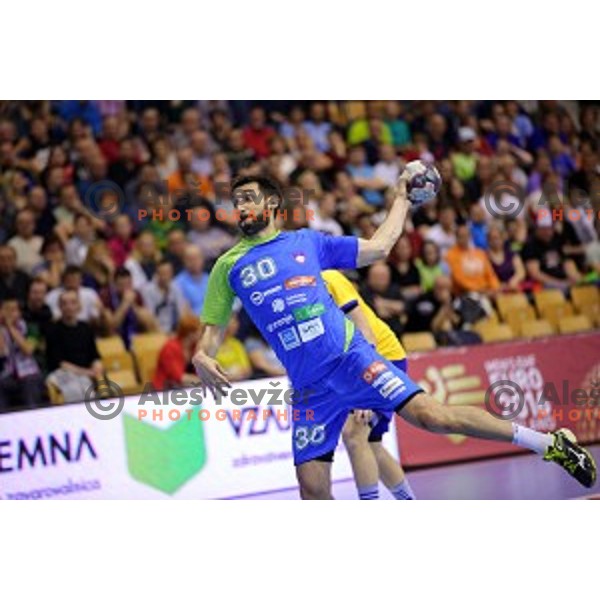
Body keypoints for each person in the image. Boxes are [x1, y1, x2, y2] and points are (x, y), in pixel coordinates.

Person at [193, 174, 596, 499]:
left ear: (272, 206)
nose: (240, 206)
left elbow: (381, 246)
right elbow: (212, 328)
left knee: (431, 417)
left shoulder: (307, 242)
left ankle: (550, 444)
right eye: (236, 200)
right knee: (312, 489)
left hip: (352, 359)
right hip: (309, 387)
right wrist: (201, 355)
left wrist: (402, 198)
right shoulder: (227, 266)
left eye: (248, 198)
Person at [322, 269, 415, 500]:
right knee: (371, 443)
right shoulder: (295, 293)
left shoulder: (330, 279)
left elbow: (366, 335)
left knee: (354, 434)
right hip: (353, 365)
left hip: (380, 355)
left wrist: (365, 391)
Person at [45, 290, 104, 403]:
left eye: (73, 302)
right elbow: (60, 363)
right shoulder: (53, 330)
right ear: (60, 307)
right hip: (62, 374)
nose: (69, 307)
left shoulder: (86, 328)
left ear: (79, 306)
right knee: (78, 389)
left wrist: (97, 366)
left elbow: (94, 355)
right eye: (65, 303)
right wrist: (87, 372)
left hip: (85, 374)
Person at [0, 296, 44, 411]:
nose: (11, 313)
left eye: (14, 310)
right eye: (7, 310)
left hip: (29, 372)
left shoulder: (31, 327)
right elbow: (2, 352)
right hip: (7, 374)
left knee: (29, 383)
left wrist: (10, 327)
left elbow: (28, 350)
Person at [152, 315, 202, 390]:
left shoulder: (193, 347)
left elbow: (199, 372)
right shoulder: (170, 348)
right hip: (164, 390)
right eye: (199, 331)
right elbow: (179, 377)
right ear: (190, 333)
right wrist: (201, 381)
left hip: (184, 388)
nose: (201, 334)